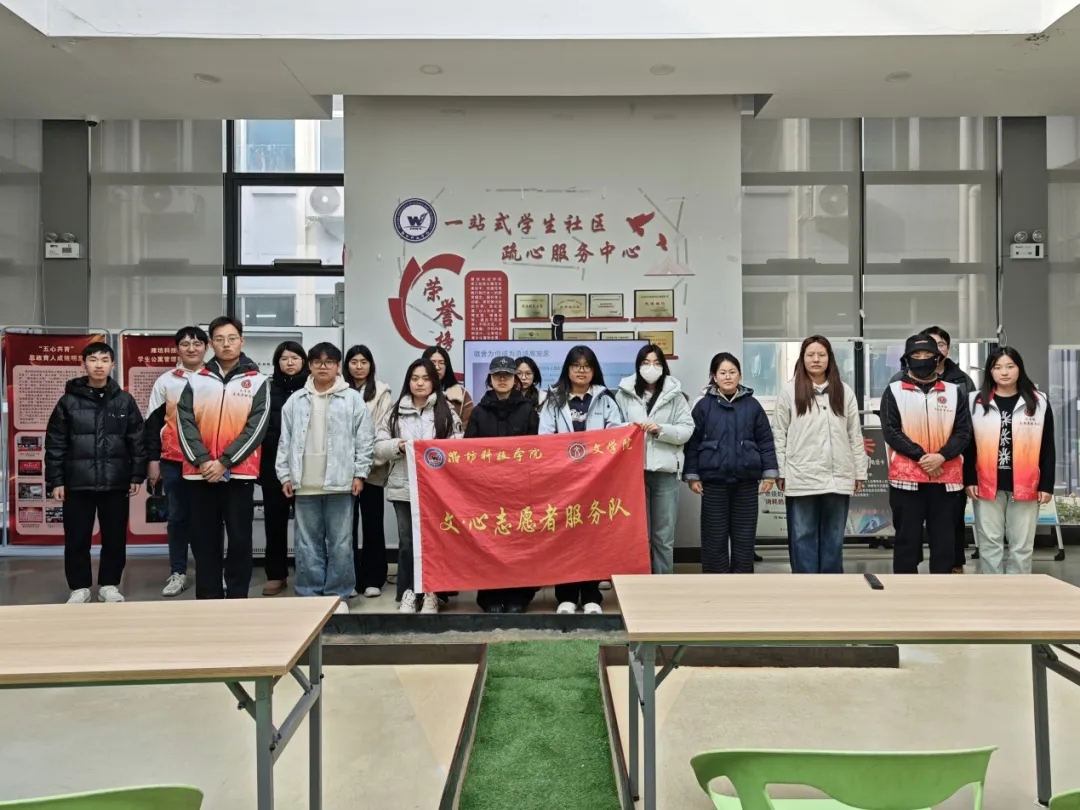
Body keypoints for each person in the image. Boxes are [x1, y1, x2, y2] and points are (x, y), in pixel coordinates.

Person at [45, 342, 146, 603]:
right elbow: (55, 443)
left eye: (104, 360)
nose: (98, 365)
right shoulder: (68, 401)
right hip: (77, 482)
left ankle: (109, 585)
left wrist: (136, 475)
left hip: (115, 481)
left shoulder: (124, 400)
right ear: (83, 364)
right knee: (77, 539)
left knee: (115, 538)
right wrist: (56, 480)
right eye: (92, 359)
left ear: (113, 364)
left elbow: (137, 440)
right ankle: (79, 588)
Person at [177, 316, 270, 599]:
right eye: (219, 339)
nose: (226, 344)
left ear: (242, 341)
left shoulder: (258, 381)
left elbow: (257, 428)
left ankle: (238, 596)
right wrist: (204, 461)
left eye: (231, 338)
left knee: (240, 539)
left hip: (239, 474)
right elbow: (184, 422)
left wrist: (225, 462)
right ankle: (208, 597)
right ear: (211, 344)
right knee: (203, 539)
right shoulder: (196, 380)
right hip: (200, 474)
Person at [276, 343, 374, 610]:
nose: (323, 366)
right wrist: (285, 475)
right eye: (317, 362)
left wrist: (360, 473)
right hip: (305, 483)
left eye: (329, 362)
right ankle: (309, 594)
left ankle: (338, 595)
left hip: (340, 482)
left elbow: (365, 439)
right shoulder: (296, 400)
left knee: (341, 543)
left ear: (337, 366)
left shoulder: (352, 399)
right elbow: (285, 441)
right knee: (306, 543)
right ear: (309, 365)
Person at [539, 345, 624, 614]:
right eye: (576, 366)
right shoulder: (553, 400)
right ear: (567, 369)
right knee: (564, 538)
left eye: (587, 366)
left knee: (592, 538)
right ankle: (565, 595)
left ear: (594, 370)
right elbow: (545, 440)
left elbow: (615, 437)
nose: (581, 371)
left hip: (596, 481)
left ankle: (590, 596)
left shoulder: (605, 399)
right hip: (563, 481)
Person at [375, 358, 462, 614]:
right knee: (408, 543)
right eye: (415, 378)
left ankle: (433, 594)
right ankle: (409, 593)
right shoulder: (395, 411)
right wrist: (398, 446)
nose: (420, 383)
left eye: (425, 378)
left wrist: (438, 450)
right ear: (408, 382)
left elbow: (458, 445)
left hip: (437, 491)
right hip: (403, 488)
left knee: (436, 541)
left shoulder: (446, 411)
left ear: (434, 382)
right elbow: (378, 446)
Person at [880, 333, 972, 575]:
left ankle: (941, 593)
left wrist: (941, 456)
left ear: (938, 359)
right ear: (907, 359)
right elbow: (891, 431)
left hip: (946, 479)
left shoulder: (953, 392)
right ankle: (905, 593)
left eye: (928, 354)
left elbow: (963, 432)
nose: (922, 359)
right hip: (906, 480)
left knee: (944, 543)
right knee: (906, 541)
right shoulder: (893, 391)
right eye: (916, 355)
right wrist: (922, 457)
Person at [773, 335, 867, 574]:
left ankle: (832, 586)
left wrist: (859, 472)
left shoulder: (844, 391)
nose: (816, 359)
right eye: (810, 355)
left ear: (830, 358)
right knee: (802, 535)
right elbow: (779, 435)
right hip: (801, 476)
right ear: (802, 358)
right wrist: (781, 472)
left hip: (838, 476)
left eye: (821, 355)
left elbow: (854, 435)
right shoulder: (789, 392)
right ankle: (806, 587)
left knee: (834, 536)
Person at [684, 353, 777, 574]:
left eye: (732, 372)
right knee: (714, 537)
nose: (728, 377)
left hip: (746, 483)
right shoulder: (703, 406)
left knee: (744, 537)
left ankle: (742, 584)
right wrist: (692, 475)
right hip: (713, 483)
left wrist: (769, 473)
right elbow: (692, 443)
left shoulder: (752, 406)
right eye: (723, 372)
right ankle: (715, 584)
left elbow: (765, 441)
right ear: (714, 376)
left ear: (740, 375)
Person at [964, 347, 1054, 575]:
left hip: (1026, 482)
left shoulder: (1039, 401)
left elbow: (1047, 446)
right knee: (989, 544)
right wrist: (969, 479)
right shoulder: (975, 401)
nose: (1004, 372)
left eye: (1010, 366)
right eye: (997, 367)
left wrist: (1046, 484)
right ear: (990, 371)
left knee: (1022, 547)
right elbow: (968, 444)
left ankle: (1018, 592)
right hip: (986, 483)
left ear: (1019, 368)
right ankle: (993, 592)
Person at [465, 356, 541, 613]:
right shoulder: (479, 411)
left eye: (507, 375)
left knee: (520, 544)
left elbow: (538, 450)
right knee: (490, 544)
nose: (502, 379)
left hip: (520, 491)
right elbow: (468, 453)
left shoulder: (528, 410)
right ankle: (490, 597)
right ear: (490, 379)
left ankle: (519, 597)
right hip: (488, 492)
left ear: (515, 379)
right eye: (497, 375)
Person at [614, 344, 693, 575]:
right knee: (635, 532)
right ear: (638, 366)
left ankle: (662, 583)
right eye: (646, 363)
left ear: (664, 366)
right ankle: (636, 583)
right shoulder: (623, 393)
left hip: (665, 472)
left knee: (663, 535)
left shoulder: (676, 395)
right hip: (632, 473)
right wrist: (631, 427)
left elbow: (687, 430)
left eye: (656, 363)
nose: (651, 367)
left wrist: (661, 429)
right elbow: (611, 428)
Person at [145, 325, 207, 597]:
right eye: (185, 344)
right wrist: (152, 460)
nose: (191, 349)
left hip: (209, 463)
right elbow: (152, 423)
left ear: (206, 347)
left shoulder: (216, 379)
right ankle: (178, 572)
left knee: (208, 519)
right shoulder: (166, 382)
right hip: (174, 460)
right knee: (178, 518)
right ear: (177, 349)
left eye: (197, 343)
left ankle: (209, 571)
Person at [259, 341, 308, 596]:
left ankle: (307, 573)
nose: (290, 363)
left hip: (307, 467)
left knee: (308, 525)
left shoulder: (312, 388)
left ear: (304, 361)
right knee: (274, 522)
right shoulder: (267, 388)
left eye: (295, 358)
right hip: (273, 467)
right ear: (277, 362)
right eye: (284, 358)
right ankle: (276, 574)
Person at [345, 344, 393, 597]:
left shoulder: (382, 392)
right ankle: (350, 579)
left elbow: (382, 429)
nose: (359, 367)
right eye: (354, 362)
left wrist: (364, 462)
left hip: (373, 468)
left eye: (364, 362)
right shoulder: (339, 389)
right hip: (344, 470)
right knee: (346, 527)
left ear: (371, 365)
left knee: (373, 524)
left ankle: (374, 578)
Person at [423, 346, 474, 430]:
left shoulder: (461, 395)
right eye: (432, 363)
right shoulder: (417, 392)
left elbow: (469, 426)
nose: (437, 367)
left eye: (441, 363)